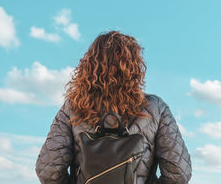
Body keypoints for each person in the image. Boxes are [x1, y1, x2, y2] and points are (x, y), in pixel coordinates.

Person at [35, 30, 192, 184]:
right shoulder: (155, 108)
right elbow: (178, 174)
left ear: (89, 66)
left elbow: (48, 171)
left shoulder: (72, 107)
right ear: (134, 67)